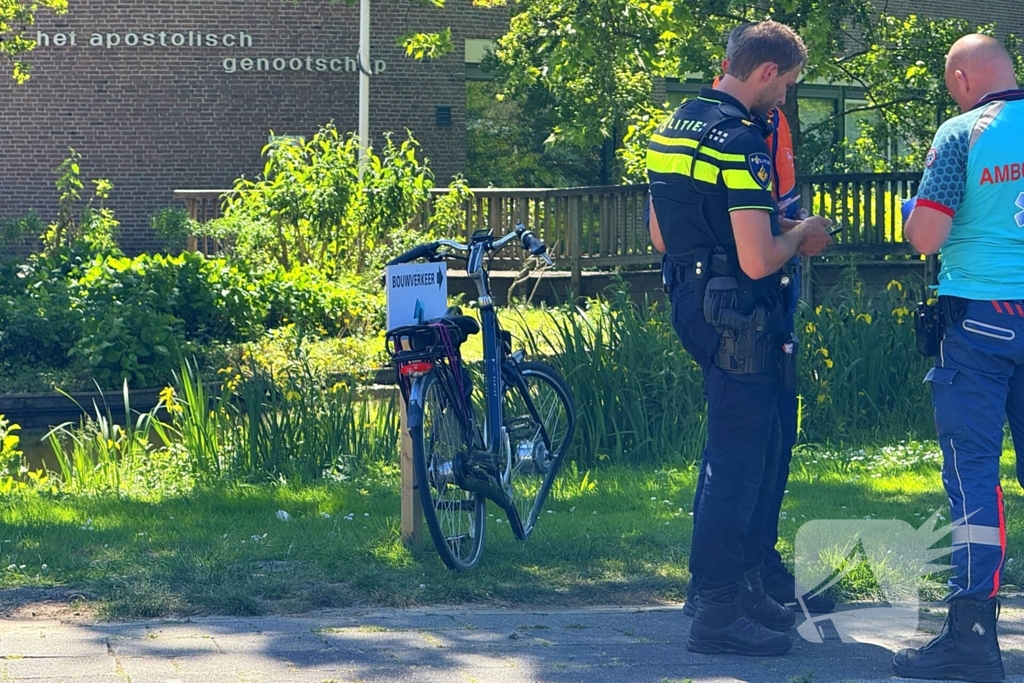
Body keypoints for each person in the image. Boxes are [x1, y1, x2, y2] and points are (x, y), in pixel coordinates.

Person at [647, 20, 832, 656]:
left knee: (738, 451)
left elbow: (663, 236)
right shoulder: (739, 139)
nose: (784, 101)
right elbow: (758, 259)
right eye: (787, 86)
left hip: (693, 303)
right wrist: (800, 232)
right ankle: (719, 611)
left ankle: (737, 589)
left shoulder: (674, 127)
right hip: (741, 314)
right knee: (739, 464)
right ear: (764, 73)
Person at [894, 33, 1024, 682]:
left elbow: (927, 234)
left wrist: (910, 208)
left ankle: (972, 637)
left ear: (965, 78)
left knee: (973, 477)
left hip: (980, 322)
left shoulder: (962, 132)